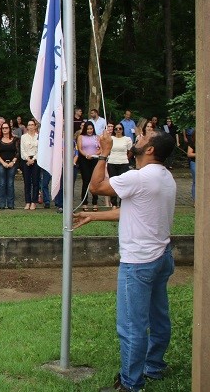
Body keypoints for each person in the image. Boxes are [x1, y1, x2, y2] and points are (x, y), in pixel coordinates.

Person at [75, 130, 176, 392]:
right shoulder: (164, 177)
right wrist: (93, 216)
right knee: (158, 317)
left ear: (151, 149)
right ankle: (153, 366)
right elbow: (133, 209)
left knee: (132, 325)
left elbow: (96, 187)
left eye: (145, 137)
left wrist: (104, 153)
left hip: (139, 262)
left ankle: (131, 384)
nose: (138, 138)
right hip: (161, 257)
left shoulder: (139, 178)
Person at [107, 123, 133, 207]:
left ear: (123, 130)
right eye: (116, 129)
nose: (118, 130)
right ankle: (113, 204)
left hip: (123, 163)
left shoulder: (127, 139)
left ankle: (122, 203)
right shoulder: (111, 138)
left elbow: (130, 151)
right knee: (113, 183)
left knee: (124, 184)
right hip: (112, 163)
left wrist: (126, 158)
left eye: (120, 128)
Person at [77, 121, 100, 211]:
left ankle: (95, 202)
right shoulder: (81, 137)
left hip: (94, 159)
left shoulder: (97, 137)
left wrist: (93, 154)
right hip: (84, 160)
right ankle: (84, 202)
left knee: (95, 180)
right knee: (86, 180)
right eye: (88, 129)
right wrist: (86, 155)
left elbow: (100, 149)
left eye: (91, 129)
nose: (90, 131)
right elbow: (80, 148)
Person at [0, 122, 19, 210]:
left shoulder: (15, 140)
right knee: (2, 183)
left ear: (9, 129)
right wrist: (3, 163)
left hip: (12, 163)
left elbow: (18, 152)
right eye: (3, 128)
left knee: (10, 183)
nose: (5, 130)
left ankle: (11, 204)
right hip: (1, 163)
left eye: (6, 128)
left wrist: (13, 162)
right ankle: (1, 204)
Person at [20, 120, 40, 210]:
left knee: (35, 182)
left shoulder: (39, 137)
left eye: (32, 125)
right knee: (27, 182)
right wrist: (28, 159)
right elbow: (22, 150)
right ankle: (27, 201)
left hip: (36, 160)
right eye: (29, 125)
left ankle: (34, 202)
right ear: (27, 127)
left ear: (35, 126)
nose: (31, 126)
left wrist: (33, 159)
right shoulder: (23, 137)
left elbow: (40, 150)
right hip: (26, 160)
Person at [187, 131, 195, 206]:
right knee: (195, 182)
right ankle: (195, 201)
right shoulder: (192, 143)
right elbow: (189, 154)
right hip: (195, 163)